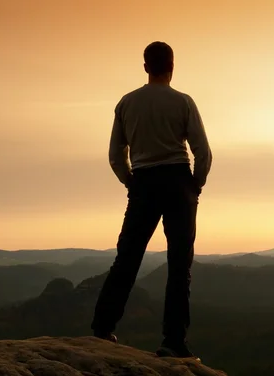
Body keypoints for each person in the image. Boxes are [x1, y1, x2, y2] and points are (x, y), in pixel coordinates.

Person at [91, 41, 213, 359]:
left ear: (145, 66)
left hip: (143, 183)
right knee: (178, 265)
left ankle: (102, 330)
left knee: (127, 259)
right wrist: (195, 186)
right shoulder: (183, 102)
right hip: (177, 182)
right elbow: (203, 151)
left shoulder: (127, 103)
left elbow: (116, 155)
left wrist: (131, 181)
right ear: (172, 66)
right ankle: (173, 342)